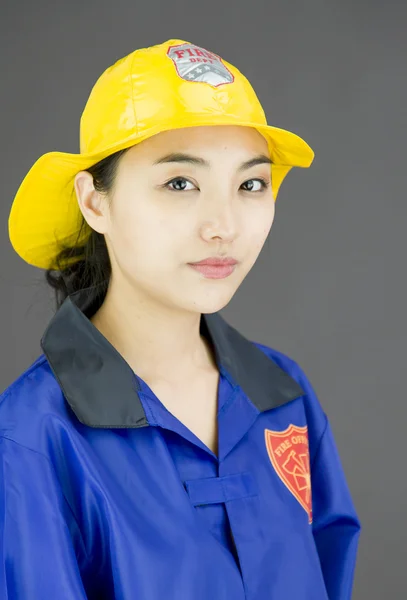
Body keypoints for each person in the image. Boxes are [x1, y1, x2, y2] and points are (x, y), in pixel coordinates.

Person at [0, 38, 361, 599]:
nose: (223, 225)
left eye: (250, 184)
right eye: (180, 183)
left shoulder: (283, 395)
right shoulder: (32, 433)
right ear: (96, 202)